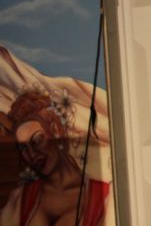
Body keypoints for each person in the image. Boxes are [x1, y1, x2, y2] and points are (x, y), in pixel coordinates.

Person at [0, 89, 111, 226]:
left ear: (55, 131)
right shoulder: (21, 199)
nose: (32, 154)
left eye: (37, 140)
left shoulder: (103, 197)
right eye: (23, 148)